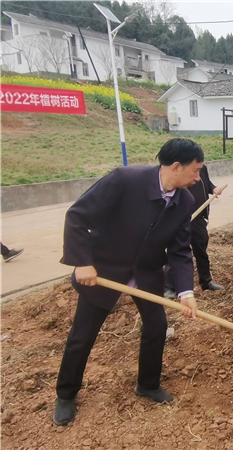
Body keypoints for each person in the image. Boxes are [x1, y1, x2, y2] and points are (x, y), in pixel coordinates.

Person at [53, 138, 202, 427]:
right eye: (195, 171)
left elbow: (181, 250)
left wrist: (186, 291)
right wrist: (82, 261)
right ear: (175, 166)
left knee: (157, 326)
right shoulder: (125, 180)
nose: (198, 178)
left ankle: (147, 384)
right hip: (105, 270)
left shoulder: (185, 201)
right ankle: (66, 394)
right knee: (83, 334)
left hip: (146, 272)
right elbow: (77, 216)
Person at [164, 164, 224, 295]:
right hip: (180, 218)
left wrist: (214, 189)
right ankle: (169, 287)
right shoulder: (180, 171)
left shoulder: (203, 168)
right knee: (176, 250)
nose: (197, 174)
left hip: (198, 218)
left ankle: (206, 282)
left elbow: (207, 184)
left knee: (201, 250)